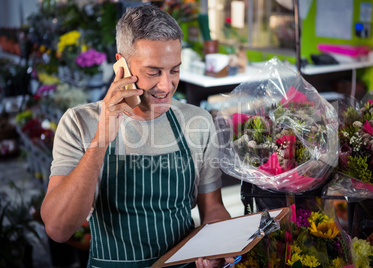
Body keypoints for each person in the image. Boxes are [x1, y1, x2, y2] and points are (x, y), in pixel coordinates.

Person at [41, 4, 234, 268]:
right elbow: (58, 229)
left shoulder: (196, 121)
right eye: (153, 72)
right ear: (122, 64)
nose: (166, 86)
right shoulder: (80, 122)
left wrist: (218, 245)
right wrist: (102, 138)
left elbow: (212, 209)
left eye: (174, 70)